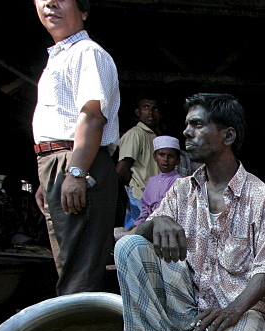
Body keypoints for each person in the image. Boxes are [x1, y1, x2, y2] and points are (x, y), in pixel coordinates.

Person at [115, 93, 265, 331]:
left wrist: (232, 311)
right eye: (187, 125)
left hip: (242, 311)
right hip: (189, 312)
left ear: (227, 135)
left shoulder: (259, 196)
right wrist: (158, 222)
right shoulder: (181, 190)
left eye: (197, 125)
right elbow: (137, 238)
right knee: (128, 247)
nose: (186, 132)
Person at [32, 0, 120, 295]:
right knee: (70, 264)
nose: (50, 3)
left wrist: (76, 171)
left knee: (80, 269)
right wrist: (50, 179)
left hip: (79, 160)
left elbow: (92, 116)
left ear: (83, 10)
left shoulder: (87, 53)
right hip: (62, 162)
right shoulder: (59, 57)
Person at [116, 95, 162, 227]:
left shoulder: (153, 136)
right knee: (137, 235)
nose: (150, 112)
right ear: (138, 112)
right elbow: (121, 170)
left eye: (155, 109)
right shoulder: (135, 133)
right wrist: (134, 188)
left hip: (152, 197)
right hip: (139, 196)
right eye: (146, 107)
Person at [133, 135, 185, 226]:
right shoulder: (152, 181)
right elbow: (145, 208)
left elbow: (172, 211)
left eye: (170, 156)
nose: (165, 159)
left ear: (177, 160)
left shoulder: (180, 181)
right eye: (162, 155)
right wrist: (138, 225)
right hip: (148, 224)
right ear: (155, 157)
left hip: (167, 226)